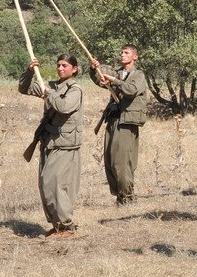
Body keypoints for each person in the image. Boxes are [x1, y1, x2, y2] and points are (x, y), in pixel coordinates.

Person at [19, 55, 84, 237]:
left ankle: (65, 225)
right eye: (58, 65)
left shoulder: (75, 90)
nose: (60, 68)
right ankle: (57, 225)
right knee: (45, 184)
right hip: (48, 141)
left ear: (74, 69)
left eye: (65, 65)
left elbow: (64, 106)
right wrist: (30, 71)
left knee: (56, 184)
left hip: (65, 144)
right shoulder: (52, 85)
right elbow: (24, 88)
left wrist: (49, 93)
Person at [89, 44, 148, 205]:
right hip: (113, 121)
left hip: (126, 123)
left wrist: (114, 80)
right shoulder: (117, 73)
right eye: (121, 52)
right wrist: (94, 69)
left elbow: (131, 90)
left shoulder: (138, 75)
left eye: (126, 53)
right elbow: (100, 80)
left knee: (122, 161)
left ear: (135, 57)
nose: (122, 55)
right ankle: (120, 197)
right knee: (110, 160)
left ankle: (128, 197)